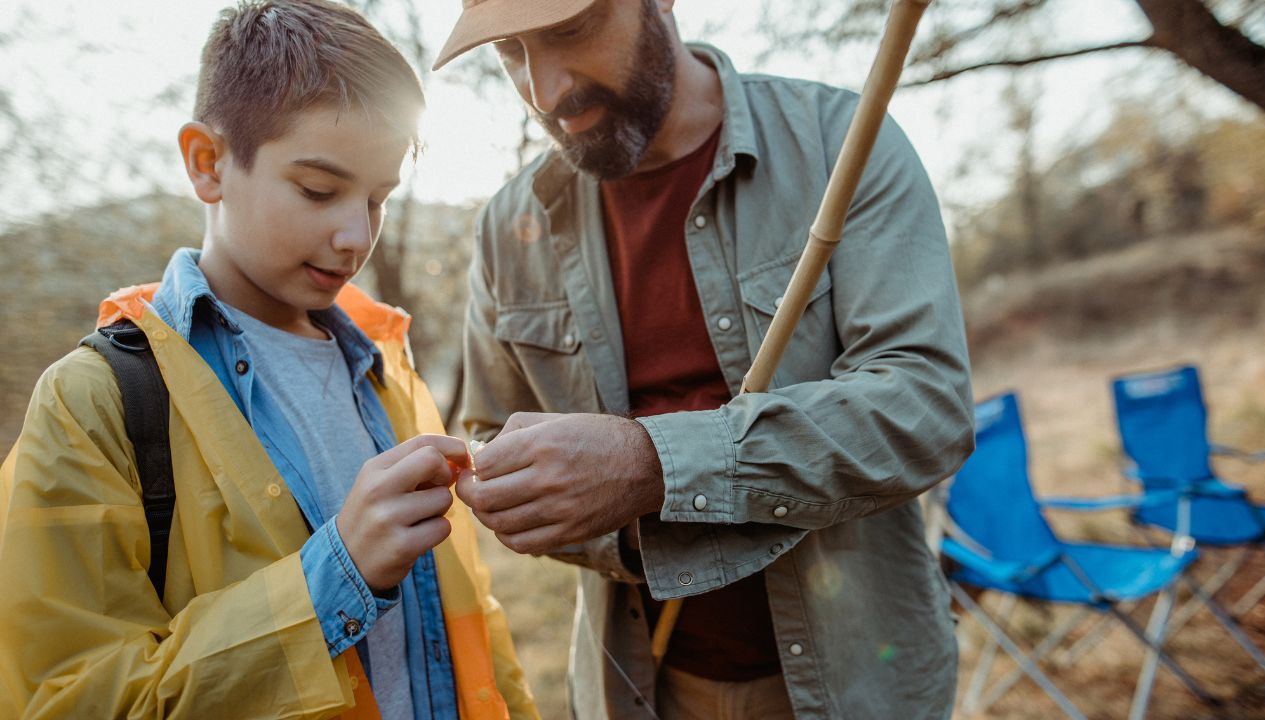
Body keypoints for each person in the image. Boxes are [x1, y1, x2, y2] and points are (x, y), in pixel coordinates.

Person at [437, 0, 975, 718]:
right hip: (640, 690)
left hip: (860, 686)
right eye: (509, 52)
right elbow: (490, 439)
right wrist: (535, 493)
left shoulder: (838, 141)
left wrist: (651, 467)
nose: (543, 90)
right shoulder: (509, 229)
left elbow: (925, 407)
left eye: (570, 30)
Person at [0, 1, 538, 718]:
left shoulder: (387, 371)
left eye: (378, 199)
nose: (355, 236)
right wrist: (334, 577)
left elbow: (478, 634)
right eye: (319, 190)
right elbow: (69, 699)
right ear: (208, 162)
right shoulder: (93, 403)